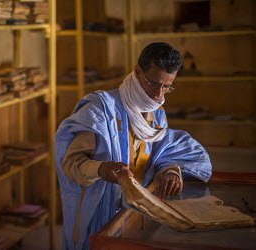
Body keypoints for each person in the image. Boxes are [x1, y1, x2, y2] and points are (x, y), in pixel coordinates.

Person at [55, 42, 212, 250]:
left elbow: (159, 155)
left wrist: (170, 172)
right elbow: (70, 164)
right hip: (100, 217)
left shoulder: (157, 116)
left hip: (135, 218)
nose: (159, 94)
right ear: (138, 72)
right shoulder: (101, 110)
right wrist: (100, 169)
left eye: (167, 86)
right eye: (155, 83)